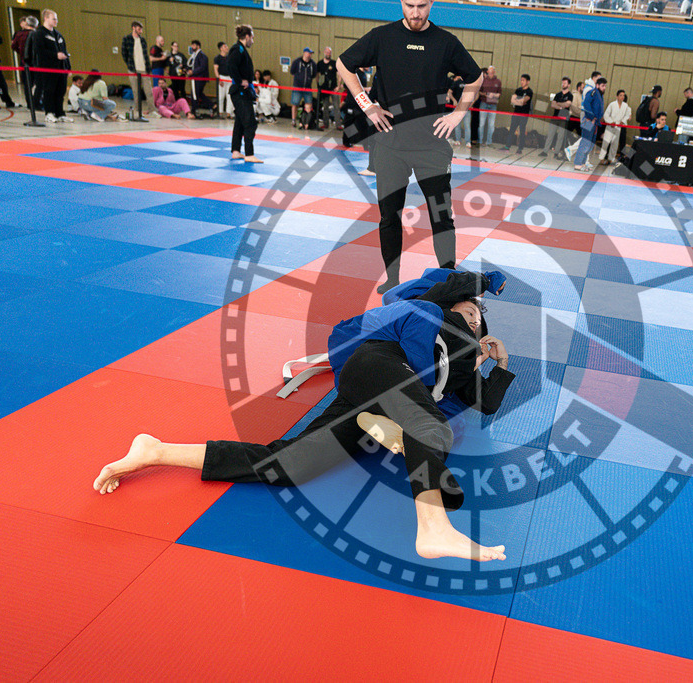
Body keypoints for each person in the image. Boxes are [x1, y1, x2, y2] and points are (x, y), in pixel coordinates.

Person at [93, 269, 514, 563]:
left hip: (378, 396)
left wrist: (493, 363)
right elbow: (442, 296)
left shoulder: (457, 363)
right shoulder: (423, 312)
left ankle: (157, 450)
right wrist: (486, 284)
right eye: (470, 310)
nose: (475, 320)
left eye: (479, 320)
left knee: (291, 465)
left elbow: (475, 404)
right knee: (430, 428)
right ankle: (433, 525)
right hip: (375, 363)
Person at [336, 0, 484, 294]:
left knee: (441, 215)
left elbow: (475, 78)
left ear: (432, 3)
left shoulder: (446, 42)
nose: (415, 13)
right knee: (389, 215)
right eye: (409, 5)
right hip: (390, 145)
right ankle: (393, 279)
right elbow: (343, 64)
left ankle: (448, 279)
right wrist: (368, 106)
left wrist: (458, 114)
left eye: (422, 5)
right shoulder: (382, 36)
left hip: (432, 147)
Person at [227, 25, 260, 163]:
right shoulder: (237, 49)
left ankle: (236, 151)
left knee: (240, 122)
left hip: (242, 91)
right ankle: (249, 154)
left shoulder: (241, 50)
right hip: (239, 91)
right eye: (252, 38)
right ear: (246, 37)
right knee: (250, 123)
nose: (252, 40)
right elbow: (231, 67)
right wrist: (240, 81)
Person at [30, 9, 70, 123]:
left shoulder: (58, 35)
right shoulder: (39, 33)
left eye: (56, 19)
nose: (56, 21)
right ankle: (49, 113)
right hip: (48, 68)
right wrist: (55, 55)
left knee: (60, 91)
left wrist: (67, 67)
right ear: (46, 18)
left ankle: (60, 113)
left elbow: (65, 51)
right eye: (54, 18)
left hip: (61, 68)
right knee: (49, 91)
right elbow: (40, 51)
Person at [572, 76, 606, 172]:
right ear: (597, 85)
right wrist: (591, 117)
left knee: (590, 145)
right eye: (602, 86)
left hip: (595, 123)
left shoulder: (600, 95)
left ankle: (582, 163)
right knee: (585, 143)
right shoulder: (593, 92)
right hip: (589, 121)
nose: (604, 88)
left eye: (605, 86)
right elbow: (586, 105)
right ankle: (578, 164)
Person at [121, 22, 154, 118]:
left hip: (144, 69)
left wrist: (148, 68)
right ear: (133, 28)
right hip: (133, 69)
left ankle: (152, 109)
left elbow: (146, 55)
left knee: (149, 91)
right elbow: (124, 54)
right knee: (136, 91)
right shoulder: (127, 39)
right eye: (139, 29)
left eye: (141, 29)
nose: (141, 31)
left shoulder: (143, 40)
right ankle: (138, 109)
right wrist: (130, 65)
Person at [541, 77, 574, 158]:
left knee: (560, 136)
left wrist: (558, 103)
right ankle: (545, 151)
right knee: (550, 134)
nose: (563, 84)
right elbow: (553, 105)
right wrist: (560, 106)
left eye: (565, 83)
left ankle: (556, 152)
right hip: (555, 117)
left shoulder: (570, 95)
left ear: (568, 85)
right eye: (562, 83)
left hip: (563, 118)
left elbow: (567, 104)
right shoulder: (558, 94)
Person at [501, 73, 532, 153]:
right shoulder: (518, 90)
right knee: (512, 130)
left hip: (524, 114)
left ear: (527, 82)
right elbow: (512, 100)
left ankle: (520, 148)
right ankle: (507, 146)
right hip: (516, 113)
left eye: (523, 80)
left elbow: (524, 100)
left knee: (522, 131)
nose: (521, 82)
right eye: (521, 80)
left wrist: (518, 100)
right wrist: (519, 101)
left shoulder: (529, 91)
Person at [599, 89, 630, 165]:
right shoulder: (612, 104)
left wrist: (623, 121)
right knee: (606, 143)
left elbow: (627, 115)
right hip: (610, 126)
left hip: (618, 127)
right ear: (617, 96)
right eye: (620, 95)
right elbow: (606, 115)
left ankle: (611, 159)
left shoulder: (625, 106)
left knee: (615, 144)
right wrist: (610, 122)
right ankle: (601, 158)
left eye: (623, 95)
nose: (622, 97)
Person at [289, 46, 316, 130]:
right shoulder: (297, 62)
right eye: (309, 53)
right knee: (295, 103)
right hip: (297, 87)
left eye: (311, 54)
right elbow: (292, 72)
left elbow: (314, 75)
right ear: (304, 53)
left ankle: (307, 122)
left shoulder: (313, 64)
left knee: (309, 104)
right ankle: (294, 120)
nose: (310, 55)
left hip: (307, 88)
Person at [315, 46, 341, 131]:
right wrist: (318, 86)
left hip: (333, 88)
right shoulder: (320, 63)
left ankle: (338, 125)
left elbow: (339, 74)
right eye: (327, 52)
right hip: (324, 89)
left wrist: (338, 86)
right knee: (325, 107)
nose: (328, 54)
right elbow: (317, 75)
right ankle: (325, 124)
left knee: (336, 106)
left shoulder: (334, 63)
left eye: (329, 52)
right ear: (324, 52)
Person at [478, 64, 501, 145]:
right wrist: (485, 94)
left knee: (491, 125)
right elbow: (479, 91)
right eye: (489, 71)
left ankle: (489, 142)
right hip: (484, 103)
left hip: (493, 104)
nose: (490, 73)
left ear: (494, 72)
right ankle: (480, 141)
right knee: (481, 124)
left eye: (492, 71)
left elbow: (499, 94)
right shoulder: (483, 80)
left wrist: (493, 95)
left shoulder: (498, 82)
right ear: (487, 72)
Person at [186, 40, 211, 114]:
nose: (192, 47)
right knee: (198, 93)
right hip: (195, 78)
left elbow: (202, 67)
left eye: (194, 45)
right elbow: (191, 65)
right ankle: (212, 105)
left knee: (195, 93)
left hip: (199, 78)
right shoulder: (194, 55)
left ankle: (195, 109)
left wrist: (193, 72)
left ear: (198, 46)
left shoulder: (202, 55)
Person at [214, 41, 232, 119]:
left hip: (229, 78)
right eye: (225, 46)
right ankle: (220, 112)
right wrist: (219, 78)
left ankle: (229, 113)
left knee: (229, 96)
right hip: (222, 77)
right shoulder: (217, 58)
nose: (227, 48)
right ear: (221, 48)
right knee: (221, 96)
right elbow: (215, 69)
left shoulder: (230, 57)